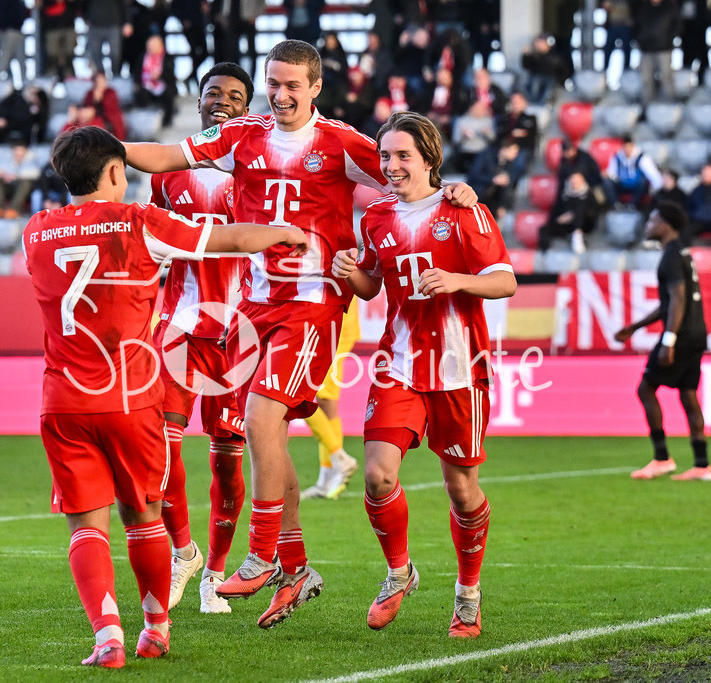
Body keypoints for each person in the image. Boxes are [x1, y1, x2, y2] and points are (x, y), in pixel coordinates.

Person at [120, 39, 478, 630]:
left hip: (312, 303)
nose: (281, 95)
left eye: (293, 86)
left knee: (260, 421)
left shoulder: (339, 143)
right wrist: (103, 151)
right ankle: (296, 566)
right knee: (271, 439)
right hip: (254, 306)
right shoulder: (243, 135)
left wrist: (452, 191)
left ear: (315, 88)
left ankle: (261, 552)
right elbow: (167, 156)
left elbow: (403, 173)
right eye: (274, 84)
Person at [21, 124, 308, 668]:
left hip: (61, 399)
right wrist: (283, 232)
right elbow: (226, 240)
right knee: (143, 515)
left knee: (86, 524)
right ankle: (155, 626)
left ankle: (107, 636)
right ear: (113, 172)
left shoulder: (35, 231)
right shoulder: (139, 221)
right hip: (129, 397)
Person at [331, 111, 515, 636]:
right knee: (376, 475)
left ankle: (468, 593)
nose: (390, 166)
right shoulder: (376, 217)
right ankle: (398, 572)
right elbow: (373, 288)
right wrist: (355, 274)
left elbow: (504, 282)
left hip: (460, 368)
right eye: (385, 156)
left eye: (402, 155)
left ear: (430, 158)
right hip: (399, 364)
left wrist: (457, 279)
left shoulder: (465, 211)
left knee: (462, 491)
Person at [149, 62, 253, 615]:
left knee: (228, 464)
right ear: (199, 101)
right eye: (214, 93)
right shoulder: (167, 173)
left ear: (247, 108)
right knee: (161, 453)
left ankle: (214, 573)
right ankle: (183, 552)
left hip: (242, 334)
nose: (223, 102)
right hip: (180, 329)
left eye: (235, 97)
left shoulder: (259, 172)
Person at [615, 202, 711, 482]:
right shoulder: (682, 252)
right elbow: (669, 303)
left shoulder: (670, 256)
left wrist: (668, 340)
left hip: (680, 335)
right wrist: (635, 327)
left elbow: (678, 300)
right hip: (696, 333)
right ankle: (702, 465)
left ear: (666, 225)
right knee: (688, 394)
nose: (648, 225)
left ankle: (661, 458)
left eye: (653, 220)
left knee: (646, 389)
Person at [298, 300, 360, 500]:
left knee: (306, 394)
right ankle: (326, 479)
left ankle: (339, 458)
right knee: (323, 402)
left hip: (335, 320)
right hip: (322, 320)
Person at [538, 171, 602, 253]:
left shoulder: (589, 194)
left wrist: (573, 215)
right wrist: (560, 219)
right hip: (567, 224)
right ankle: (545, 252)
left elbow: (593, 212)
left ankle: (577, 236)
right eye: (573, 180)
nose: (574, 182)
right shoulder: (564, 196)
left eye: (577, 180)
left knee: (578, 210)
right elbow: (555, 212)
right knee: (544, 229)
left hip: (585, 224)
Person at [634, 0, 681, 103]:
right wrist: (640, 39)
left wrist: (669, 39)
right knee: (646, 79)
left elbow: (677, 24)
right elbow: (635, 24)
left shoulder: (669, 7)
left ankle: (670, 104)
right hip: (646, 48)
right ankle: (646, 105)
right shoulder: (642, 7)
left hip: (664, 48)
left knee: (666, 77)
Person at [605, 135, 662, 209]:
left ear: (633, 146)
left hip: (636, 187)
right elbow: (612, 173)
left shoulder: (642, 157)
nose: (627, 150)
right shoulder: (616, 157)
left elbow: (653, 174)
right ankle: (616, 204)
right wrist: (607, 175)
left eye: (629, 147)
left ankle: (633, 205)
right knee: (606, 181)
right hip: (622, 184)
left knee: (643, 181)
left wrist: (657, 188)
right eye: (625, 147)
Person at [0, 137, 40, 218]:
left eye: (21, 150)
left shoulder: (31, 160)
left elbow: (36, 173)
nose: (18, 153)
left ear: (25, 151)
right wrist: (0, 174)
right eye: (16, 150)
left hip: (26, 189)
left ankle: (14, 209)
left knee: (25, 183)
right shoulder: (7, 161)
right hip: (11, 187)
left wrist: (16, 175)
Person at [135, 34, 177, 127]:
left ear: (160, 46)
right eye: (149, 46)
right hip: (146, 85)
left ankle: (167, 121)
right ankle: (144, 122)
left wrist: (160, 75)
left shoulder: (167, 57)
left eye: (152, 46)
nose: (150, 48)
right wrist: (137, 83)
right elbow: (137, 71)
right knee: (141, 93)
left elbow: (171, 75)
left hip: (163, 84)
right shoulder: (143, 56)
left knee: (168, 94)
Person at [85, 0, 133, 78]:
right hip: (95, 25)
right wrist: (86, 17)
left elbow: (124, 5)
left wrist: (127, 22)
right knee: (94, 53)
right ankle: (101, 77)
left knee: (115, 54)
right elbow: (85, 4)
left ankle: (116, 76)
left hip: (113, 25)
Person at [83, 71, 127, 140]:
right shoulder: (90, 93)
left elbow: (113, 108)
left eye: (102, 80)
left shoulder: (111, 92)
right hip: (93, 118)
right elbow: (87, 106)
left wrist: (101, 99)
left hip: (109, 119)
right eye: (98, 81)